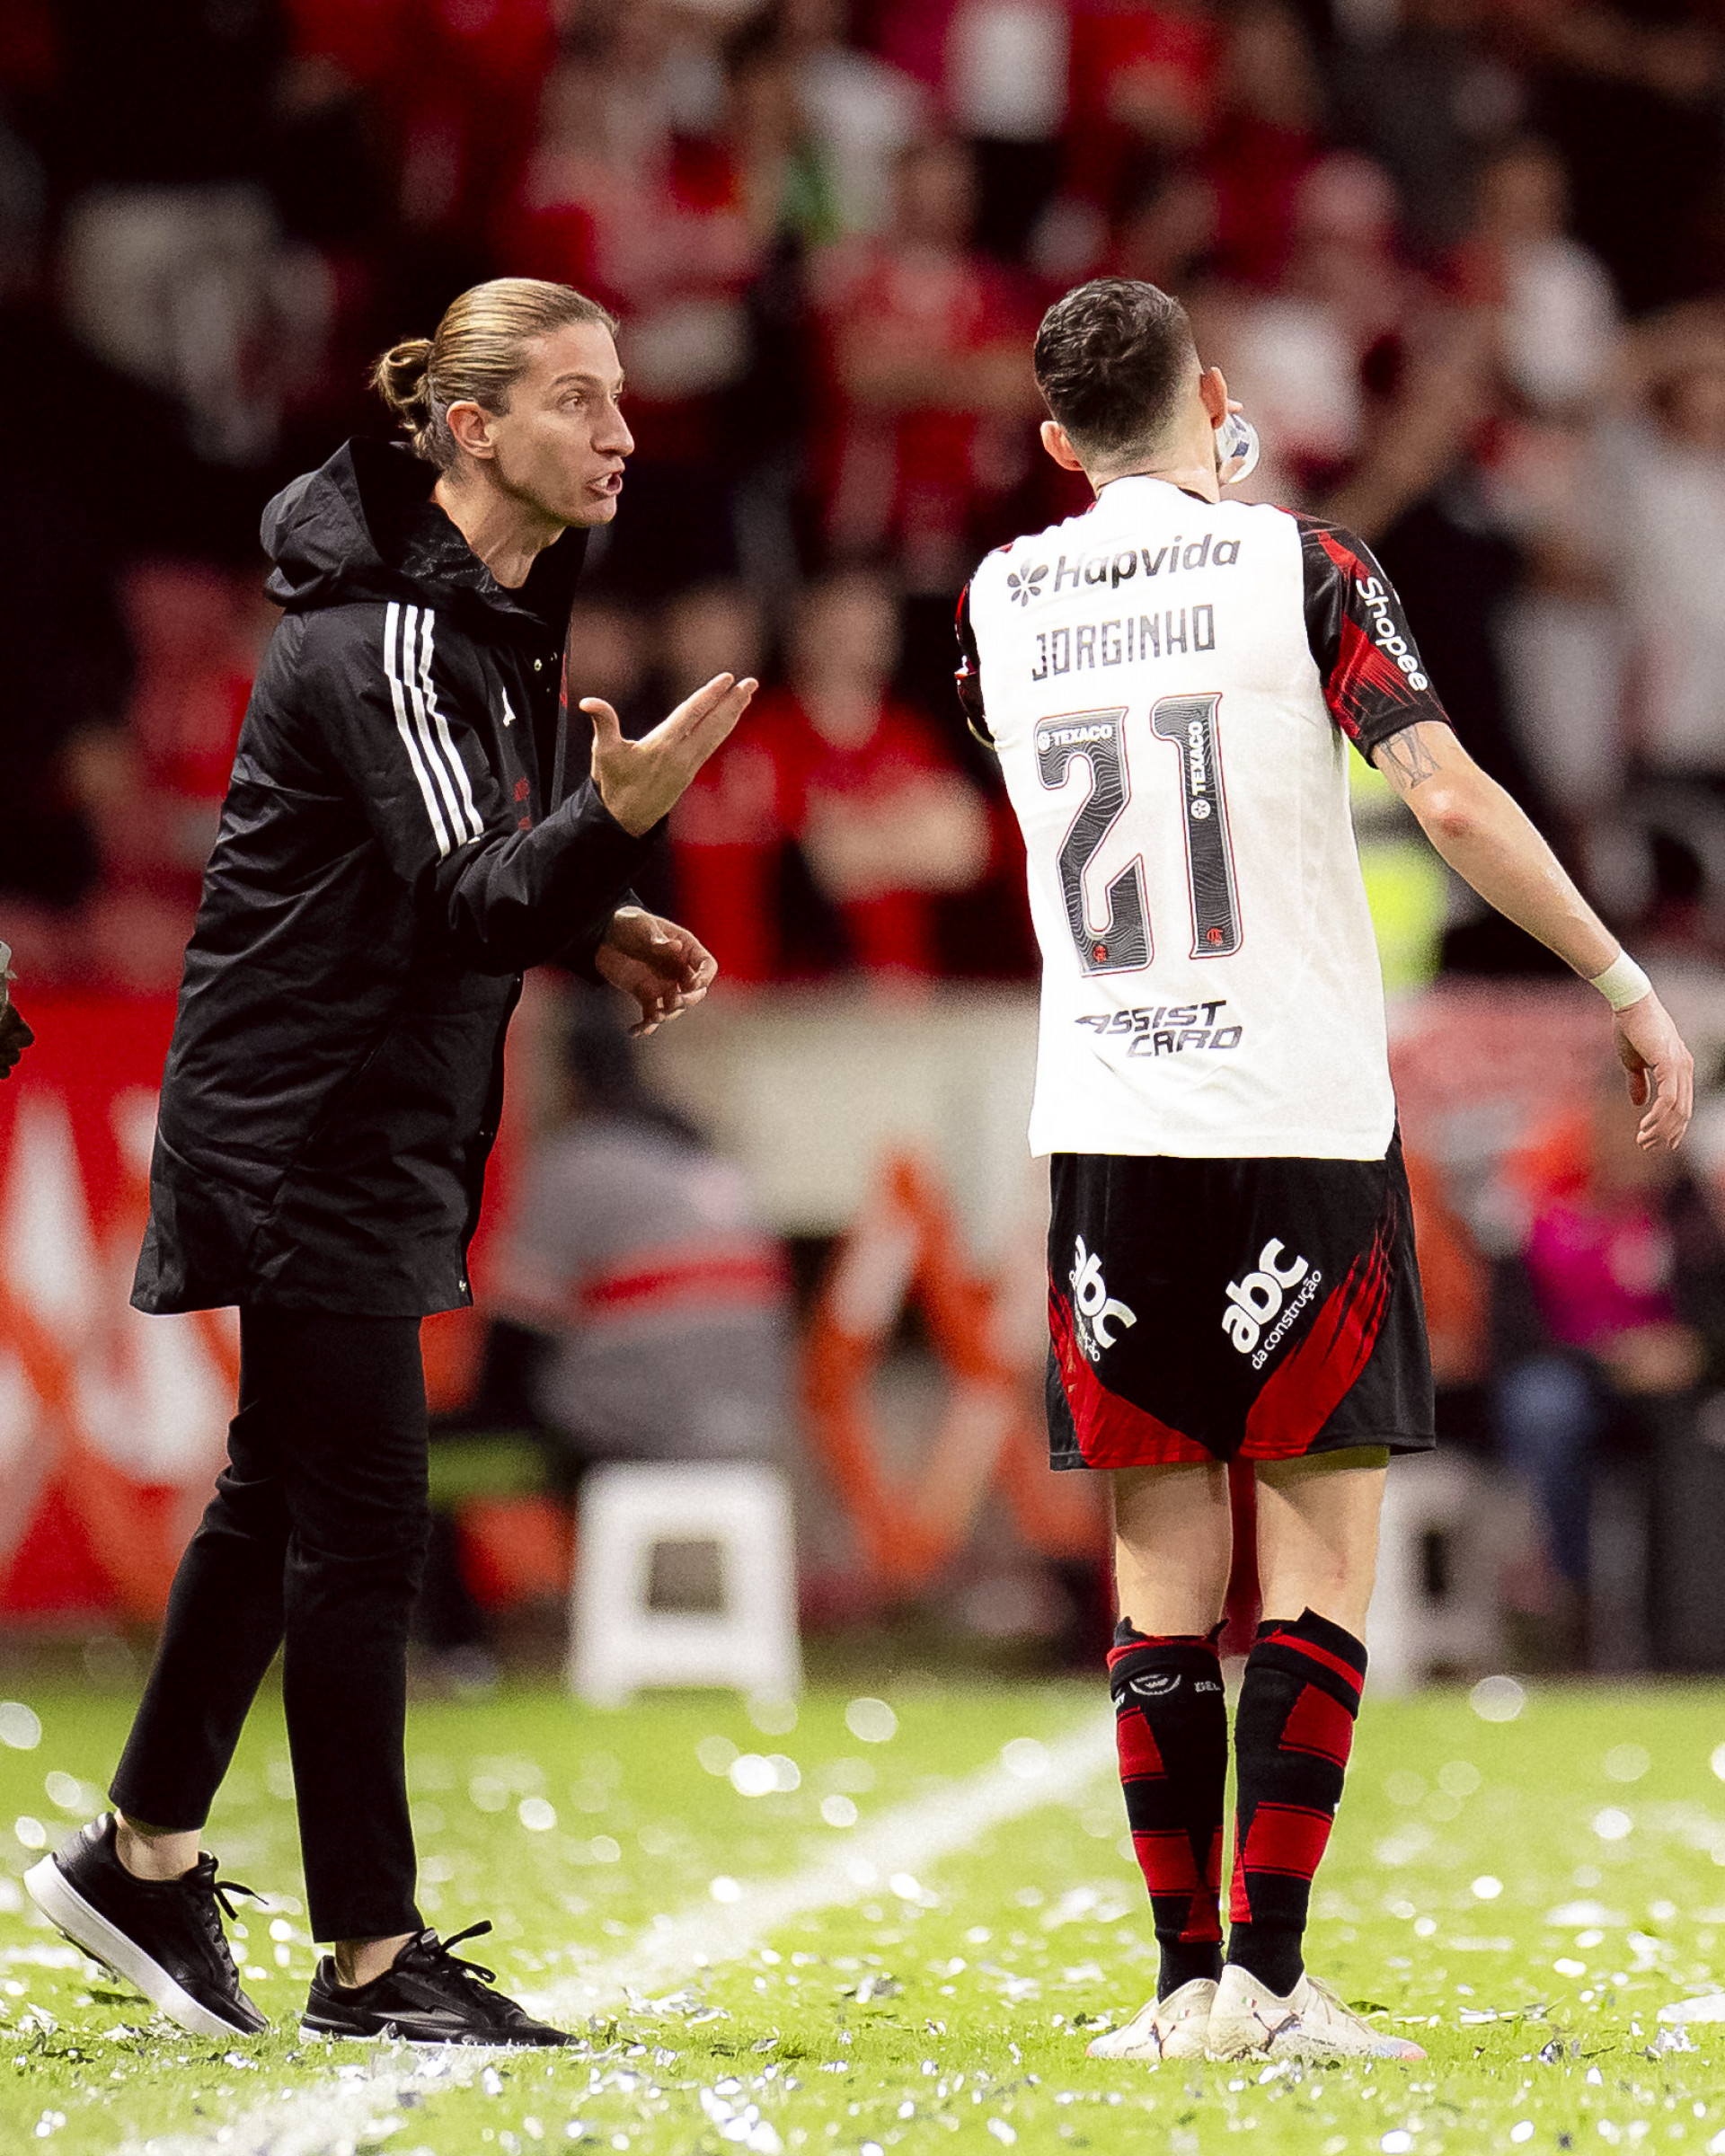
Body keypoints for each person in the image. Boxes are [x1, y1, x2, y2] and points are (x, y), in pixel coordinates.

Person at [955, 277, 1693, 2064]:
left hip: (1111, 1130)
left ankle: (1176, 1988)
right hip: (1289, 1116)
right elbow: (1440, 796)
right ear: (1216, 399)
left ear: (1057, 443)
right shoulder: (1302, 563)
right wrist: (1619, 977)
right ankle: (1273, 1983)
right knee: (1312, 1579)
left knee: (1155, 1584)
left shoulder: (1001, 592)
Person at [23, 278, 757, 2047]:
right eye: (579, 400)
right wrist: (618, 822)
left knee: (281, 1495)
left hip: (347, 1116)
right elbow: (466, 890)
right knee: (360, 1527)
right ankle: (372, 1959)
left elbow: (446, 888)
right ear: (470, 427)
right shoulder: (392, 634)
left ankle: (138, 1860)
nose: (622, 432)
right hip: (315, 1133)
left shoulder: (477, 618)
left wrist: (592, 921)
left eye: (623, 399)